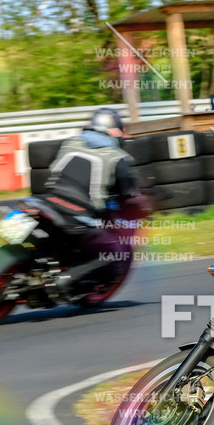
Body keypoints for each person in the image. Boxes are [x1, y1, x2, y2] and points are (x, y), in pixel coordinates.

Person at [43, 107, 147, 296]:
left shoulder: (69, 143)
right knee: (116, 250)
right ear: (115, 130)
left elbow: (52, 169)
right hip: (77, 215)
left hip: (46, 202)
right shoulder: (118, 158)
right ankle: (66, 279)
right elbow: (128, 198)